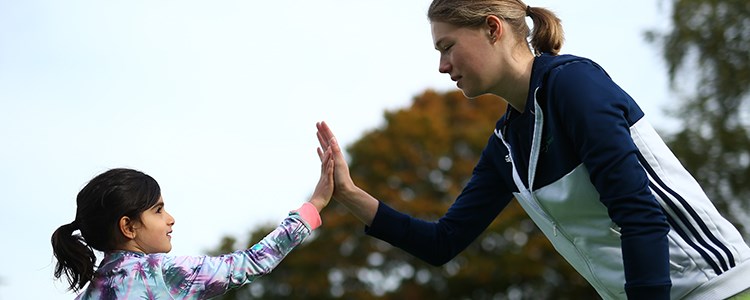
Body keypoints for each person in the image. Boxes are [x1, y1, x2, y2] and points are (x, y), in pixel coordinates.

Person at [314, 0, 750, 299]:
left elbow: (639, 213)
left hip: (723, 289)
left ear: (491, 28)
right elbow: (441, 243)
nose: (442, 66)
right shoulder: (506, 146)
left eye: (447, 47)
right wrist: (350, 194)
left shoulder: (573, 84)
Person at [51, 147, 334, 299]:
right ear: (128, 227)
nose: (171, 219)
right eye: (158, 210)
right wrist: (314, 206)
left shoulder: (87, 295)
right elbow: (249, 263)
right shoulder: (159, 273)